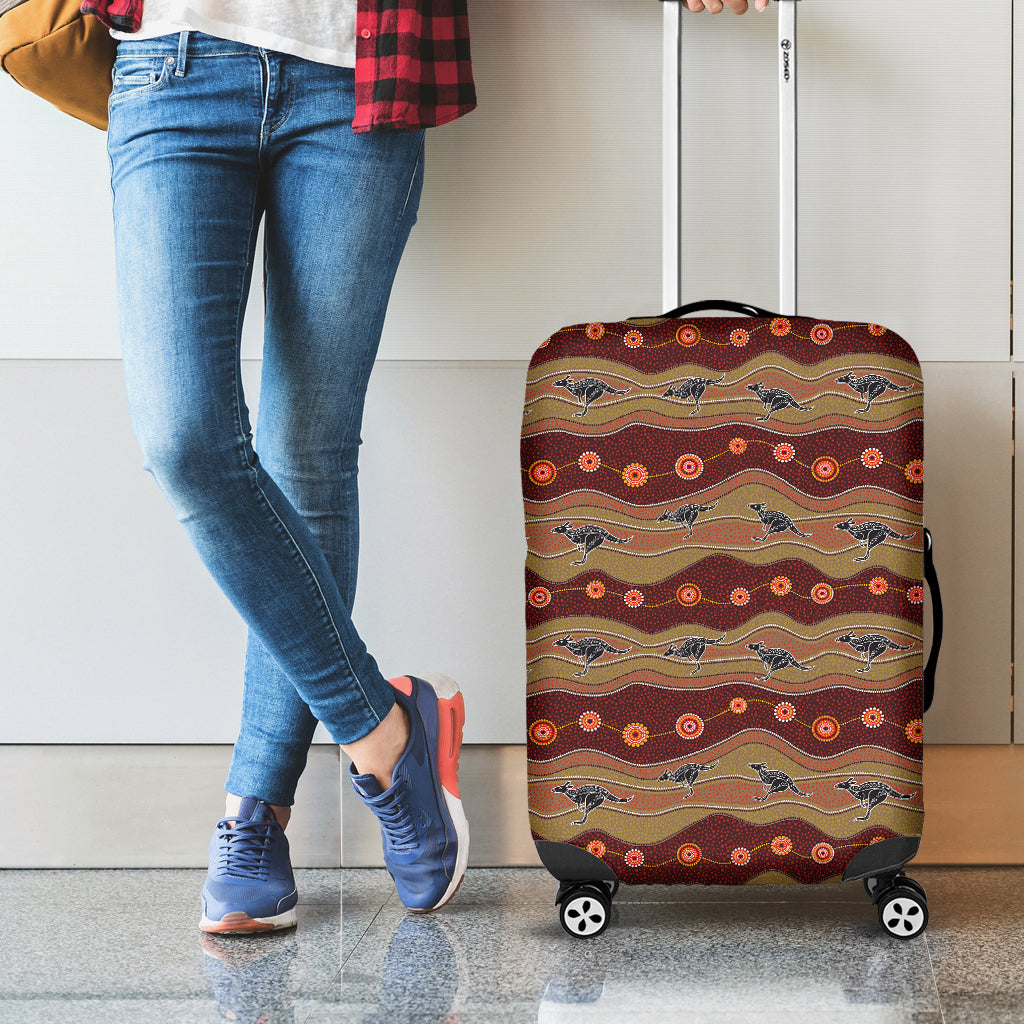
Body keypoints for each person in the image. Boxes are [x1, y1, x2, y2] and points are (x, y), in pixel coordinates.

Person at [87, 0, 476, 932]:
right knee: (184, 442)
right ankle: (386, 730)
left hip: (359, 78)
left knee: (307, 456)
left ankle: (255, 812)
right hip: (172, 70)